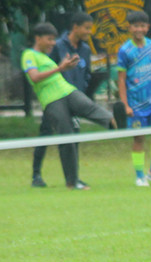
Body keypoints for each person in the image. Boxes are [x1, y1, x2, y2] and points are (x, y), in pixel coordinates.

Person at [21, 22, 113, 190]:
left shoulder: (46, 57)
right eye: (49, 39)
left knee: (90, 107)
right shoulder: (29, 54)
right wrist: (60, 68)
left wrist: (63, 67)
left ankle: (116, 123)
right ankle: (72, 182)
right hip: (52, 100)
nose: (52, 43)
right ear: (38, 38)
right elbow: (34, 77)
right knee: (67, 138)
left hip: (68, 91)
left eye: (53, 40)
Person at [32, 12, 96, 189]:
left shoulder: (85, 49)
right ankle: (36, 175)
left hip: (74, 99)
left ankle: (73, 179)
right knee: (45, 135)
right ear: (75, 27)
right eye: (86, 28)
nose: (89, 32)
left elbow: (86, 74)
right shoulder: (57, 46)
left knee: (73, 138)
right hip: (54, 99)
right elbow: (45, 70)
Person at [117, 10, 151, 187]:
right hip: (135, 103)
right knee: (139, 138)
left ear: (147, 27)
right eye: (135, 26)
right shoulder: (125, 50)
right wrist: (125, 105)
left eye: (142, 26)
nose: (139, 29)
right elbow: (121, 79)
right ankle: (140, 175)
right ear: (129, 28)